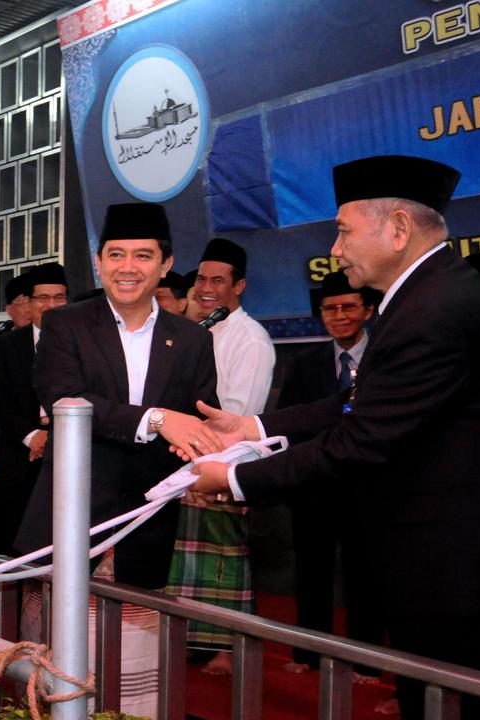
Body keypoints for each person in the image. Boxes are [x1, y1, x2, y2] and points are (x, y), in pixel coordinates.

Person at [190, 155, 480, 719]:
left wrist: (236, 478)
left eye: (343, 231)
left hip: (467, 565)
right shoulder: (427, 296)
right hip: (448, 556)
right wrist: (254, 426)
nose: (335, 250)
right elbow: (361, 403)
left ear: (398, 229)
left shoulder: (434, 309)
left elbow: (363, 438)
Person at [12, 203, 221, 588]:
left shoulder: (193, 339)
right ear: (98, 262)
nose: (127, 268)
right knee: (50, 642)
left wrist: (210, 461)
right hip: (70, 515)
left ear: (165, 264)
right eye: (116, 255)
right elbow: (64, 400)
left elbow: (201, 417)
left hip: (149, 522)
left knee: (137, 643)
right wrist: (156, 420)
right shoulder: (65, 324)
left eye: (143, 256)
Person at [169, 237, 274, 674]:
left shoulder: (249, 338)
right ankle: (200, 645)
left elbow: (237, 415)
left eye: (218, 280)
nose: (206, 287)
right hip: (192, 461)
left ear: (240, 286)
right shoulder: (201, 329)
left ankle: (229, 651)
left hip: (225, 468)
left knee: (223, 564)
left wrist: (206, 469)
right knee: (194, 561)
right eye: (201, 278)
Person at [276, 271, 383, 676]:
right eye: (330, 309)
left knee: (365, 574)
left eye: (349, 307)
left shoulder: (384, 360)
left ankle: (367, 660)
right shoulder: (304, 363)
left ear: (368, 310)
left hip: (369, 487)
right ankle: (308, 654)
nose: (339, 316)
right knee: (312, 573)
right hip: (315, 486)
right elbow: (288, 424)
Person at [0, 263, 68, 556]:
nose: (51, 305)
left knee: (59, 540)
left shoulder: (81, 343)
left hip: (67, 455)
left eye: (58, 297)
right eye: (43, 298)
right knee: (15, 540)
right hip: (20, 455)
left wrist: (54, 436)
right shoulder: (8, 344)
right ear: (29, 304)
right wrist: (32, 435)